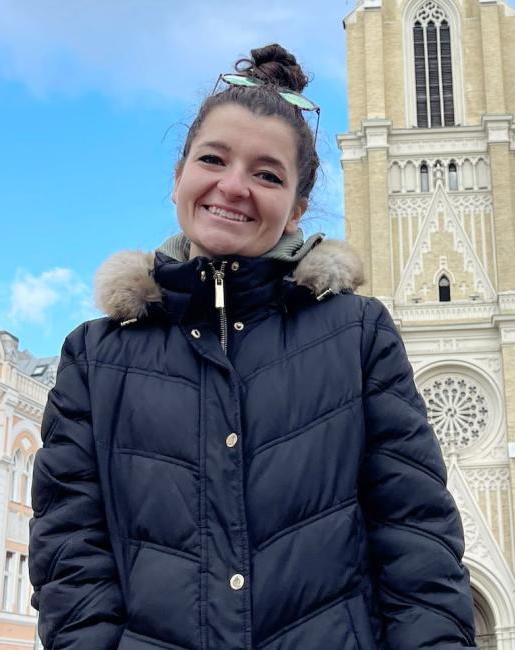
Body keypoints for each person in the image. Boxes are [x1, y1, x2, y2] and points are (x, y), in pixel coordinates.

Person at [29, 44, 477, 649]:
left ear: (295, 209)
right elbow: (68, 556)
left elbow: (417, 542)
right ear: (179, 177)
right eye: (213, 159)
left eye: (267, 174)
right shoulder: (96, 355)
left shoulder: (358, 335)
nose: (234, 186)